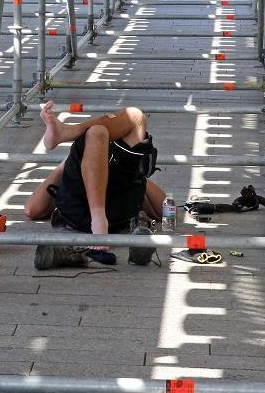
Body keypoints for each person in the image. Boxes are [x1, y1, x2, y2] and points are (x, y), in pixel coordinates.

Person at [25, 101, 164, 269]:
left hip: (109, 208)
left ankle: (67, 131)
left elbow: (165, 209)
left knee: (116, 124)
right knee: (131, 117)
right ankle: (66, 132)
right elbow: (32, 209)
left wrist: (62, 168)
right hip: (102, 212)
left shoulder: (94, 159)